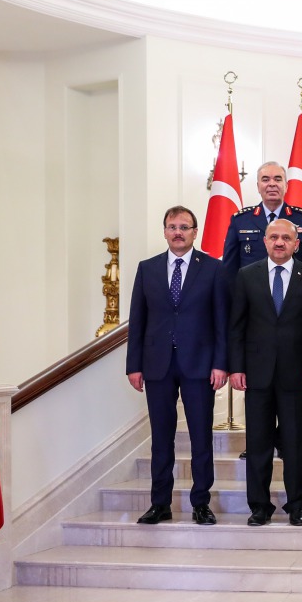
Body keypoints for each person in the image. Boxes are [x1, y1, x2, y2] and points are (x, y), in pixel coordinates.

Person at [125, 206, 228, 526]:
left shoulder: (213, 268)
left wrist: (221, 363)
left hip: (199, 364)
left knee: (200, 436)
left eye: (185, 227)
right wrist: (134, 365)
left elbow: (221, 322)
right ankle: (160, 503)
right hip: (157, 365)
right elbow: (138, 320)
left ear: (195, 232)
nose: (178, 232)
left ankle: (201, 502)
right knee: (161, 437)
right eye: (172, 227)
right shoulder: (148, 269)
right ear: (165, 231)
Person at [228, 218, 302, 527]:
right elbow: (237, 328)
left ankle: (296, 505)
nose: (280, 242)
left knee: (297, 444)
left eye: (287, 238)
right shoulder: (246, 275)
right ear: (265, 241)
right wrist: (236, 368)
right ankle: (259, 506)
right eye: (274, 237)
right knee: (257, 444)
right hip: (256, 375)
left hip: (298, 377)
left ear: (297, 244)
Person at [222, 162, 302, 278]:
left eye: (278, 179)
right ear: (258, 187)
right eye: (265, 180)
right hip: (252, 293)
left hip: (294, 293)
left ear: (286, 186)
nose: (272, 184)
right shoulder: (240, 221)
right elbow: (229, 270)